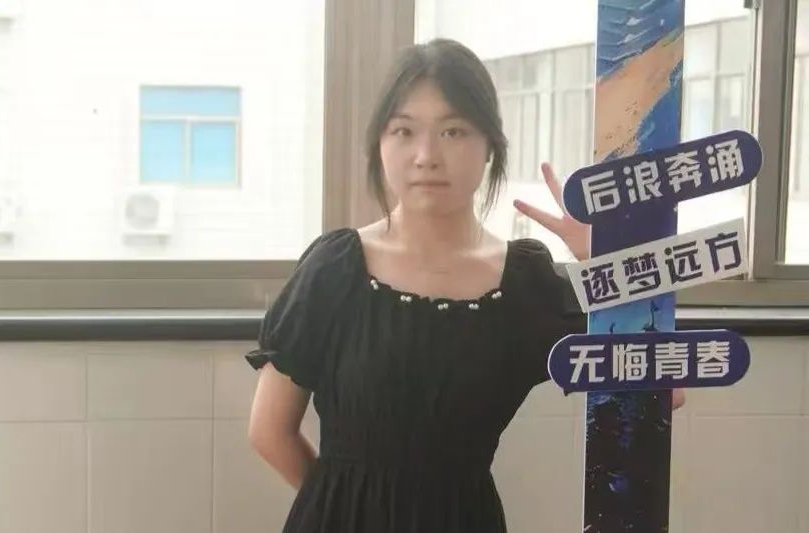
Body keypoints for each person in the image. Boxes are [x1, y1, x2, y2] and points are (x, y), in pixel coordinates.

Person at [245, 37, 683, 533]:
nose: (426, 155)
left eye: (453, 131)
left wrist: (603, 258)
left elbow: (661, 391)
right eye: (404, 131)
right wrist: (343, 508)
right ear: (379, 144)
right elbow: (269, 431)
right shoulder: (335, 269)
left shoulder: (525, 284)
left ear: (490, 146)